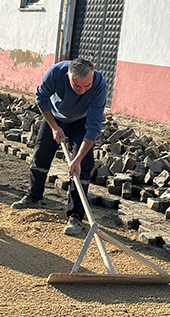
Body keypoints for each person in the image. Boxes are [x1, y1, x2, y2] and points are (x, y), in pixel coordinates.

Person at [11, 58, 106, 236]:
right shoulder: (55, 73)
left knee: (83, 167)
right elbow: (41, 98)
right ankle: (33, 197)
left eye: (87, 86)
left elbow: (93, 127)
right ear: (68, 77)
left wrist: (76, 160)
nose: (83, 91)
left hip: (82, 122)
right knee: (41, 156)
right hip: (54, 117)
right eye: (77, 86)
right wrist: (54, 127)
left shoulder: (99, 85)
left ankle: (76, 216)